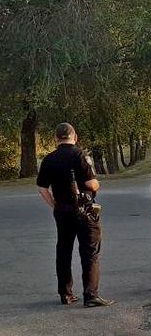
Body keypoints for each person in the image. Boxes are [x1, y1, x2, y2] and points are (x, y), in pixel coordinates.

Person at [36, 123, 114, 307]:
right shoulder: (80, 155)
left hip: (62, 211)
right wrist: (95, 185)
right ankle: (91, 295)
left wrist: (55, 204)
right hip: (84, 209)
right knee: (90, 251)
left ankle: (65, 293)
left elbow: (42, 188)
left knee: (63, 251)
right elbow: (92, 184)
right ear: (74, 136)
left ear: (56, 138)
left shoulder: (49, 159)